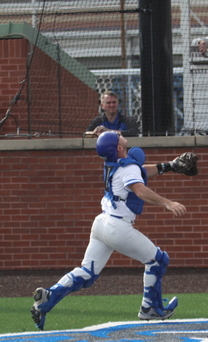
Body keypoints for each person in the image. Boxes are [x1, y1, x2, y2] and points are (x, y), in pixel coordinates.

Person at [31, 131, 189, 331]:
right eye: (118, 138)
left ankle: (48, 297)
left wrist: (169, 166)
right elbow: (139, 188)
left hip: (101, 223)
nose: (120, 135)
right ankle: (151, 308)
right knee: (158, 260)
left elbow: (139, 171)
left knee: (87, 272)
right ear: (119, 149)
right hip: (118, 227)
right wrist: (167, 203)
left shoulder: (114, 163)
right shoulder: (128, 166)